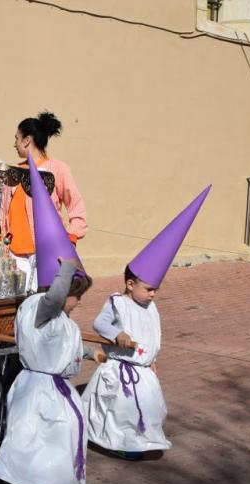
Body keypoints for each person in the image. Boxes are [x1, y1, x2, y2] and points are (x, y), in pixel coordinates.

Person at [0, 154, 96, 484]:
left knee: (57, 436)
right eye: (74, 298)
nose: (75, 305)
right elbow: (53, 303)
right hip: (37, 390)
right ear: (61, 291)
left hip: (56, 391)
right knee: (27, 436)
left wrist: (90, 352)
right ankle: (11, 480)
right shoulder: (40, 307)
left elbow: (63, 345)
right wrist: (65, 270)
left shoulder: (60, 318)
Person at [81, 186, 210, 460]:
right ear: (130, 284)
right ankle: (119, 443)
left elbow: (153, 334)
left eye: (155, 290)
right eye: (148, 288)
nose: (152, 294)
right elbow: (98, 324)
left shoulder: (151, 307)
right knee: (120, 409)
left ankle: (138, 440)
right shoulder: (118, 303)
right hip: (122, 368)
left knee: (147, 408)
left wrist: (153, 357)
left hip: (144, 371)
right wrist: (118, 334)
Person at [1, 111, 87, 291]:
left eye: (16, 138)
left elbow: (76, 206)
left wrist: (70, 239)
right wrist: (0, 242)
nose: (14, 144)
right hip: (14, 254)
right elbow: (3, 213)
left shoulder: (58, 169)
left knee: (43, 305)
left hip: (45, 253)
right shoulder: (13, 172)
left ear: (26, 140)